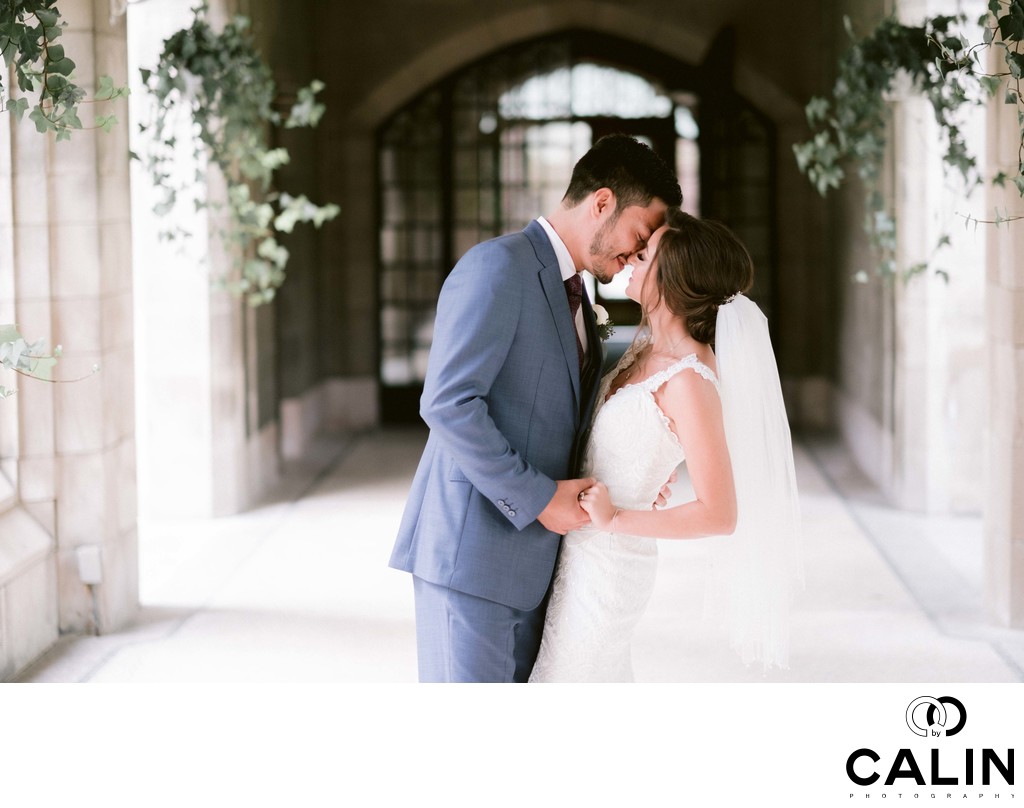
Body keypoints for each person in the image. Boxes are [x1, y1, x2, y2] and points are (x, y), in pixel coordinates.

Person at [389, 135, 683, 683]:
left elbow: (558, 417)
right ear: (601, 203)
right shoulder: (497, 267)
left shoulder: (583, 298)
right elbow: (449, 402)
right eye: (638, 237)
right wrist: (540, 498)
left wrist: (629, 472)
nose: (635, 257)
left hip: (538, 564)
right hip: (471, 558)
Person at [529, 210, 803, 683]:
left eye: (647, 252)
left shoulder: (690, 380)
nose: (634, 256)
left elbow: (720, 514)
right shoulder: (646, 350)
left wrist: (618, 517)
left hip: (609, 566)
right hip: (575, 549)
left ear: (673, 275)